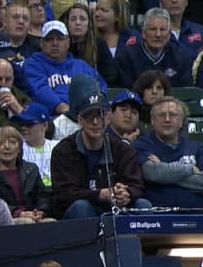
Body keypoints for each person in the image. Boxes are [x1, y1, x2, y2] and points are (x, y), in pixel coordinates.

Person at [51, 91, 151, 219]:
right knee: (81, 207)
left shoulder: (123, 150)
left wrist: (126, 193)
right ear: (80, 120)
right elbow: (63, 195)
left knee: (143, 204)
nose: (95, 122)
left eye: (100, 116)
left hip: (115, 209)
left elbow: (137, 186)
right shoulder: (63, 150)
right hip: (79, 213)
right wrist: (100, 194)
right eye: (89, 116)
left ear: (109, 118)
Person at [132, 96, 203, 209]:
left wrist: (165, 173)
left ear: (181, 121)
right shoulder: (142, 144)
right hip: (155, 218)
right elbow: (152, 173)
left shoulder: (197, 148)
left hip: (195, 216)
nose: (167, 119)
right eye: (161, 115)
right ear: (152, 120)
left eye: (173, 115)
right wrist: (190, 169)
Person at [24, 21, 108, 116]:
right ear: (41, 43)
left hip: (85, 115)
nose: (55, 43)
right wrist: (60, 106)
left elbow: (101, 87)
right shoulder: (33, 64)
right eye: (49, 39)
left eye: (60, 39)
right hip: (51, 117)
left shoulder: (80, 65)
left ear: (68, 42)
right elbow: (39, 90)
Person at [0, 125, 53, 223]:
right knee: (27, 222)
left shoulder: (31, 169)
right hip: (5, 218)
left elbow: (43, 195)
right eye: (1, 143)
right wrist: (19, 213)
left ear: (20, 148)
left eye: (12, 142)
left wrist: (41, 211)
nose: (7, 146)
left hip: (32, 215)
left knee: (50, 222)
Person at [115, 8, 193, 89]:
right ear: (143, 33)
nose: (158, 35)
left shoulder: (181, 58)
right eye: (153, 29)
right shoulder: (126, 57)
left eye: (162, 29)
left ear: (169, 34)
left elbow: (186, 93)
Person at [10, 102, 57, 189]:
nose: (23, 128)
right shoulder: (16, 149)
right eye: (21, 123)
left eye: (29, 124)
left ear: (45, 125)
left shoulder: (58, 147)